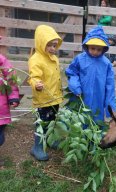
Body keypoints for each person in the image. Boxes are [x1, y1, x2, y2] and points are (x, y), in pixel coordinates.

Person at [65, 26, 116, 124]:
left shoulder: (106, 64)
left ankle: (94, 138)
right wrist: (75, 86)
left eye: (99, 49)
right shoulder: (80, 59)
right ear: (87, 46)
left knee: (96, 122)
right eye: (93, 48)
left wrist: (110, 108)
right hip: (81, 96)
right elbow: (72, 73)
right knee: (79, 121)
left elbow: (110, 86)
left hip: (98, 99)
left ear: (104, 49)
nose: (95, 52)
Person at [28, 25, 63, 161]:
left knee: (52, 121)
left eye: (55, 45)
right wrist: (36, 84)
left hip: (54, 98)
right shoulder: (36, 59)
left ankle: (49, 139)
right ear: (41, 43)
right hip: (42, 100)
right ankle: (37, 147)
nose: (53, 49)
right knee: (41, 123)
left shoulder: (54, 58)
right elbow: (33, 77)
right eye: (49, 45)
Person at [0, 53, 20, 152]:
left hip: (1, 108)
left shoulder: (2, 60)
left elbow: (11, 80)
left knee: (0, 138)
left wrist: (13, 98)